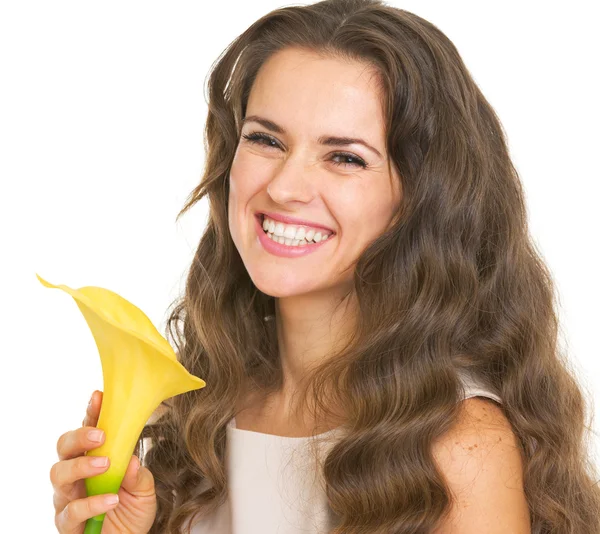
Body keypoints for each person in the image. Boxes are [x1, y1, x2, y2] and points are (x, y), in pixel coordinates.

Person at [50, 0, 600, 532]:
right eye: (265, 140)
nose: (285, 188)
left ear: (421, 198)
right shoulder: (199, 414)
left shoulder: (460, 447)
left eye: (344, 157)